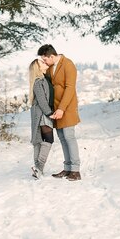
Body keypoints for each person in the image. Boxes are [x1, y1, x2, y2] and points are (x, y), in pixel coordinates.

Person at [38, 44, 81, 181]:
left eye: (45, 59)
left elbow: (69, 88)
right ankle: (68, 168)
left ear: (51, 56)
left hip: (66, 107)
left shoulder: (68, 65)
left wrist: (62, 108)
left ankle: (75, 170)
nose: (44, 62)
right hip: (56, 108)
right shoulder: (51, 67)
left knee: (69, 137)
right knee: (62, 138)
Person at [29, 58, 54, 179]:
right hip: (42, 114)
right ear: (38, 68)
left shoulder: (44, 79)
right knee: (48, 140)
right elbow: (42, 100)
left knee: (40, 141)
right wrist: (50, 113)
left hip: (42, 113)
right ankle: (38, 168)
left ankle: (38, 170)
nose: (45, 63)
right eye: (42, 63)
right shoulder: (39, 81)